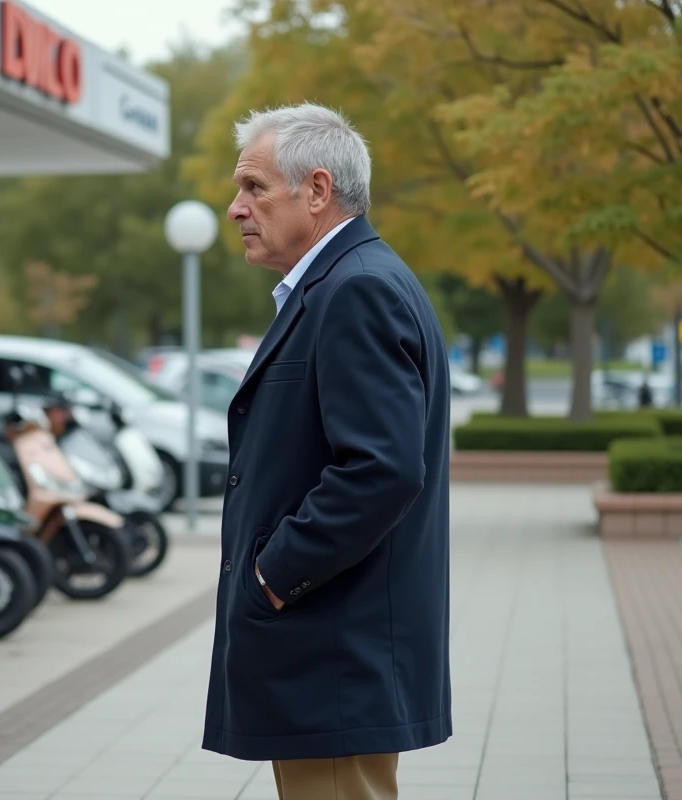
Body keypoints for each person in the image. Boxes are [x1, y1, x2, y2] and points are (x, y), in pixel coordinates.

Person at [201, 103, 452, 800]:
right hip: (329, 651)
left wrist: (273, 575)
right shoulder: (340, 282)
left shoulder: (357, 289)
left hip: (333, 651)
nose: (235, 208)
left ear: (316, 191)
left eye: (253, 188)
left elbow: (381, 469)